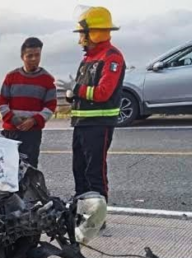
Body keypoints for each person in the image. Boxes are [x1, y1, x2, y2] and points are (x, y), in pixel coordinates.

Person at [58, 6, 125, 201]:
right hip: (81, 123)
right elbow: (84, 91)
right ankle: (82, 206)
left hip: (98, 124)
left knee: (95, 172)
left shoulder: (112, 57)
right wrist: (72, 95)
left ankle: (98, 213)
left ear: (93, 33)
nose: (80, 40)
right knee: (79, 169)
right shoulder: (88, 58)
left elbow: (103, 93)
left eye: (83, 34)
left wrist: (77, 89)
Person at [0, 37, 57, 168]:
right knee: (9, 167)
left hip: (32, 133)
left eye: (37, 55)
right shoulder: (11, 77)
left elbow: (50, 106)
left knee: (30, 167)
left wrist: (34, 120)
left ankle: (29, 189)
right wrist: (12, 119)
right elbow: (2, 102)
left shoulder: (47, 80)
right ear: (22, 56)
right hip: (11, 131)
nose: (34, 59)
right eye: (30, 56)